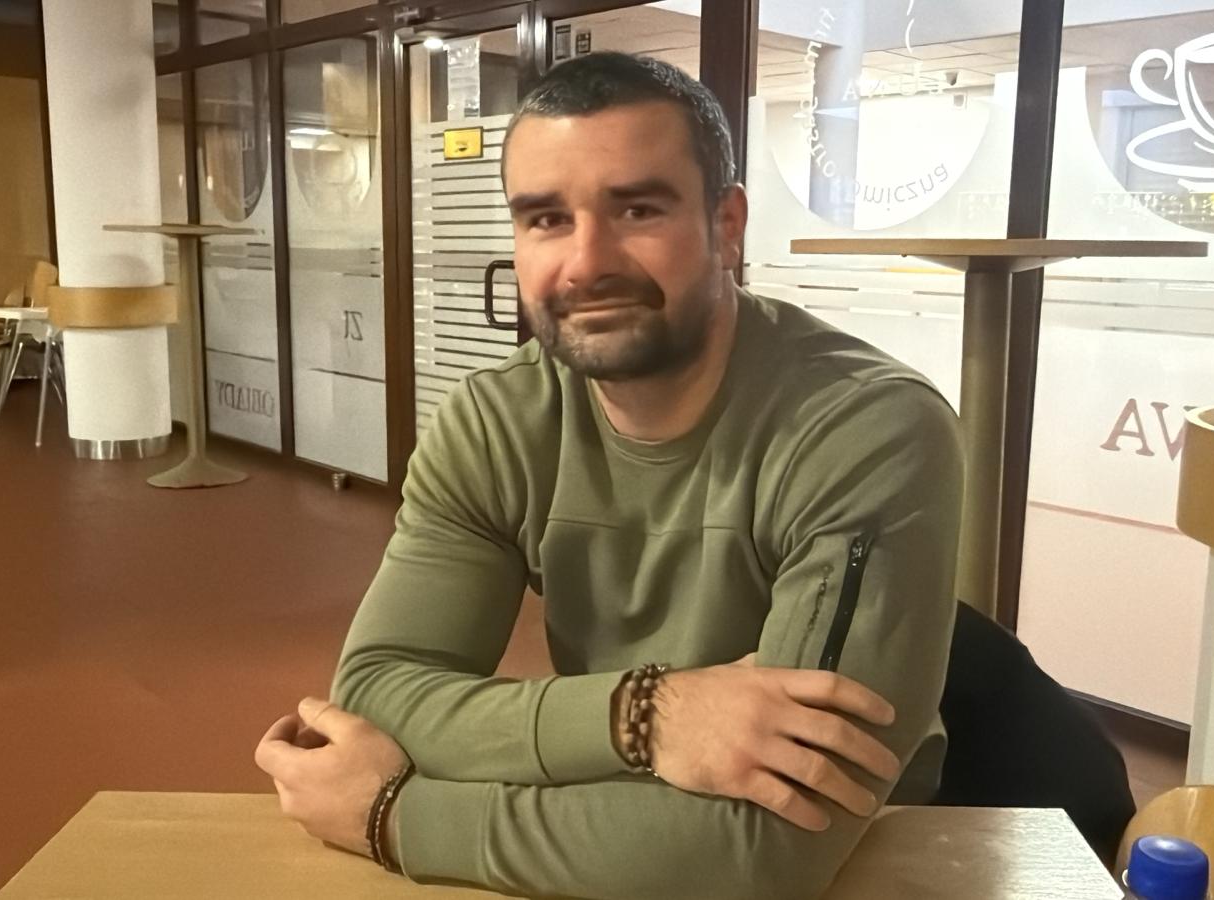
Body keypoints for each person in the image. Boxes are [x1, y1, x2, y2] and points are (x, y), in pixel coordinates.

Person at [254, 51, 964, 900]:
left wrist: (397, 817)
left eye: (637, 209)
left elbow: (770, 849)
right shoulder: (497, 422)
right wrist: (644, 714)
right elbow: (378, 693)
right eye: (546, 219)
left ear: (727, 225)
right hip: (614, 799)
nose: (586, 262)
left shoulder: (865, 427)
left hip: (886, 854)